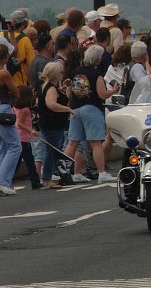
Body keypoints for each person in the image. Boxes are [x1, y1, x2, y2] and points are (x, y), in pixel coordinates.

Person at [65, 45, 118, 182]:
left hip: (75, 109)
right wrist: (114, 90)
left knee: (73, 143)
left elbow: (70, 91)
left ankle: (66, 171)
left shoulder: (75, 72)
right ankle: (102, 173)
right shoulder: (96, 74)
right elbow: (102, 94)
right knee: (96, 143)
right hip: (92, 109)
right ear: (98, 59)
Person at [37, 61, 72, 188]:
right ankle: (47, 178)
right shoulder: (51, 88)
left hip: (51, 123)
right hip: (52, 124)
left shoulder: (48, 87)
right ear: (55, 75)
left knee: (51, 150)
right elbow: (51, 104)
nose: (62, 74)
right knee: (52, 151)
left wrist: (63, 89)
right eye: (60, 72)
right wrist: (67, 109)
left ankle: (48, 177)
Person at [0, 46, 24, 195]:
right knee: (15, 146)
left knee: (2, 146)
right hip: (4, 108)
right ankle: (4, 182)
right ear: (5, 57)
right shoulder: (4, 73)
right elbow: (16, 92)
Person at [12, 85, 41, 189]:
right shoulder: (25, 110)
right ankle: (35, 182)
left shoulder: (15, 107)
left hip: (18, 137)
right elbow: (20, 123)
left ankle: (6, 178)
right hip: (23, 137)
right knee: (29, 160)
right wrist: (31, 130)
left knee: (17, 161)